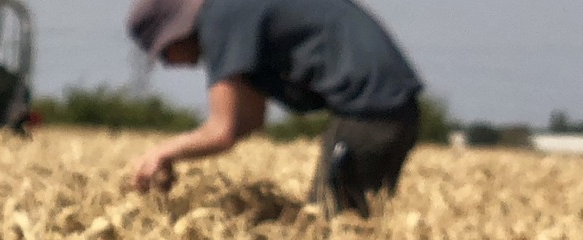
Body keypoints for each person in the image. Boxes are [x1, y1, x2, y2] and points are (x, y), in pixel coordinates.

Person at [124, 0, 424, 218]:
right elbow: (250, 120)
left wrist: (160, 153)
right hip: (390, 111)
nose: (168, 63)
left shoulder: (219, 19)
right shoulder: (236, 13)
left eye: (163, 52)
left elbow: (222, 130)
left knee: (332, 231)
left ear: (176, 32)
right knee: (347, 224)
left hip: (370, 113)